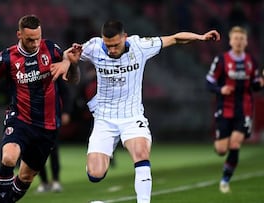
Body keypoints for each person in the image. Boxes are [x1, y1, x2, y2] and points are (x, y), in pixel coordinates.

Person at [55, 19, 220, 203]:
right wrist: (70, 62)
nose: (111, 50)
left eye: (115, 45)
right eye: (107, 45)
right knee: (95, 174)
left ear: (125, 37)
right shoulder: (92, 47)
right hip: (104, 118)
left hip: (132, 117)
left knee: (141, 152)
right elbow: (71, 72)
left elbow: (175, 39)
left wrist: (201, 37)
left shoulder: (139, 45)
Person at [0, 15, 80, 203]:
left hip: (48, 126)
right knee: (9, 158)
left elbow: (73, 79)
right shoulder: (7, 57)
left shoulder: (51, 49)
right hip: (19, 119)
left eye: (38, 38)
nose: (35, 43)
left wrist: (72, 64)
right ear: (19, 34)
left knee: (26, 177)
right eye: (30, 39)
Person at [206, 26, 264, 194]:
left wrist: (261, 82)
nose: (238, 41)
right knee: (222, 149)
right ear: (230, 41)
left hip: (244, 108)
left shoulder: (251, 61)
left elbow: (254, 85)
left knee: (235, 143)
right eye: (236, 38)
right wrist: (220, 90)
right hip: (224, 108)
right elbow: (208, 82)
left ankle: (225, 180)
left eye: (241, 39)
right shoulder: (221, 60)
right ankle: (220, 147)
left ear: (246, 42)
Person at [36, 79, 73, 193]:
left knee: (53, 149)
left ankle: (55, 180)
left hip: (52, 117)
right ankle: (44, 181)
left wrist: (66, 111)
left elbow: (65, 92)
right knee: (37, 151)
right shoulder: (28, 73)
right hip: (34, 118)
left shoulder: (53, 71)